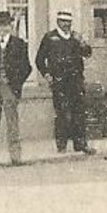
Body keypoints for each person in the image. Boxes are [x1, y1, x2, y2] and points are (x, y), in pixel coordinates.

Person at [35, 10, 95, 154]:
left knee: (79, 113)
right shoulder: (50, 38)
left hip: (76, 80)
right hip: (59, 81)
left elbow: (87, 53)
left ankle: (80, 144)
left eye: (68, 22)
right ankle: (61, 145)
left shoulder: (75, 38)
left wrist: (82, 42)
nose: (65, 24)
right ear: (57, 22)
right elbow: (39, 59)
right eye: (62, 21)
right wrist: (47, 74)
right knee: (62, 113)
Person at [0, 9, 32, 167]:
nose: (2, 29)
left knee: (12, 123)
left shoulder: (19, 44)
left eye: (5, 25)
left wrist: (15, 83)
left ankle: (16, 157)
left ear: (10, 26)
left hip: (10, 88)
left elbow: (26, 67)